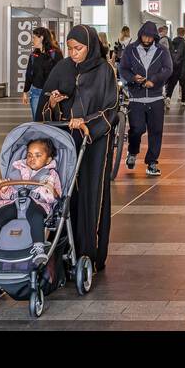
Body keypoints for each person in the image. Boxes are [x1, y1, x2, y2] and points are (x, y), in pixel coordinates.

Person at [41, 24, 119, 274]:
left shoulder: (104, 70)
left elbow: (111, 109)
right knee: (63, 193)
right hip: (65, 141)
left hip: (94, 144)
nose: (73, 53)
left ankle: (89, 253)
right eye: (70, 48)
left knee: (91, 193)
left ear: (90, 46)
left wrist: (88, 123)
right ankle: (61, 250)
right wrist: (52, 102)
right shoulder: (62, 67)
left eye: (79, 48)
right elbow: (44, 105)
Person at [0, 136, 62, 267]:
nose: (32, 159)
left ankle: (38, 247)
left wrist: (48, 188)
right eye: (29, 155)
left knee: (36, 217)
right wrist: (4, 188)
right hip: (15, 203)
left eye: (38, 155)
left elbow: (55, 196)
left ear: (48, 159)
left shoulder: (51, 174)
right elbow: (8, 195)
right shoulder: (17, 171)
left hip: (38, 204)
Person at [118, 22, 174, 176]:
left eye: (150, 37)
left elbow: (168, 69)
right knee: (137, 129)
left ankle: (152, 162)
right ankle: (132, 152)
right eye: (144, 36)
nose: (147, 39)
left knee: (156, 131)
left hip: (156, 98)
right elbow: (122, 68)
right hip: (136, 98)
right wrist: (133, 78)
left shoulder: (162, 51)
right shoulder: (130, 50)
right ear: (140, 34)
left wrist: (154, 80)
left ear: (155, 36)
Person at [22, 27, 61, 120]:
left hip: (51, 94)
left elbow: (61, 74)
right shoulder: (33, 56)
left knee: (51, 120)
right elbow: (29, 74)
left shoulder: (56, 54)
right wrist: (25, 92)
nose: (32, 40)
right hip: (36, 92)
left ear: (42, 38)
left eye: (34, 37)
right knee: (37, 121)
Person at [165, 26, 185, 111]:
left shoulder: (171, 43)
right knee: (184, 85)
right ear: (184, 33)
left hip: (173, 67)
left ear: (177, 32)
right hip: (182, 67)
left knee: (171, 84)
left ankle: (168, 98)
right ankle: (183, 102)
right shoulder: (184, 44)